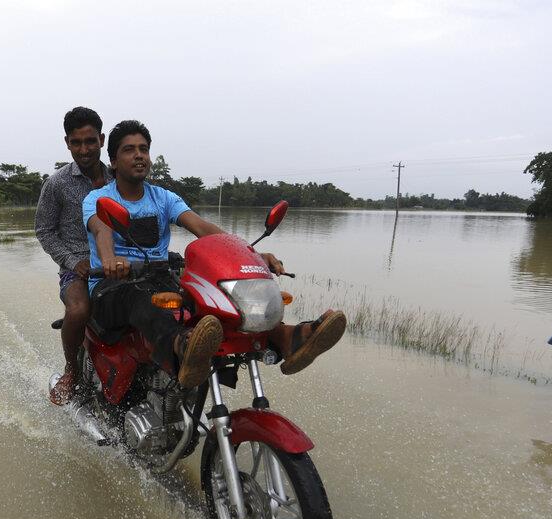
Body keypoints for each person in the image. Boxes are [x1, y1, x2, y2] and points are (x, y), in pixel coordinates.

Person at [84, 119, 346, 389]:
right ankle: (181, 346)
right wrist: (110, 260)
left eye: (144, 149)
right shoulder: (99, 199)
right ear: (114, 161)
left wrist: (250, 255)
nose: (139, 155)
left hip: (158, 279)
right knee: (143, 301)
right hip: (112, 286)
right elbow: (102, 230)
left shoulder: (164, 198)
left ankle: (285, 336)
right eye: (129, 150)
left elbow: (203, 228)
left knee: (214, 297)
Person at [35, 106, 111, 405]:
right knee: (79, 310)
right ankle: (72, 370)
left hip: (117, 261)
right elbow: (44, 231)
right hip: (77, 268)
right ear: (67, 143)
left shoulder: (116, 178)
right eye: (77, 143)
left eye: (90, 141)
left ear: (102, 140)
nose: (84, 149)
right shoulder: (57, 183)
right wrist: (71, 261)